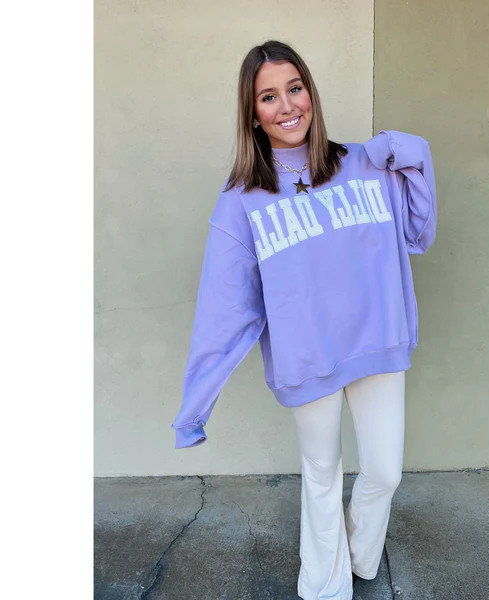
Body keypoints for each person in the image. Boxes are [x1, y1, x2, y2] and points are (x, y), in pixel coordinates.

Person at [171, 40, 437, 600]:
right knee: (321, 477)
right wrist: (194, 409)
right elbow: (224, 308)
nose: (287, 105)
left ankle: (358, 556)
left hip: (377, 344)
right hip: (308, 359)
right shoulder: (241, 200)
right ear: (252, 113)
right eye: (268, 96)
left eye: (295, 88)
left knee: (384, 472)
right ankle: (324, 586)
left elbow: (419, 229)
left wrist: (404, 148)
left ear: (311, 93)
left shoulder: (365, 164)